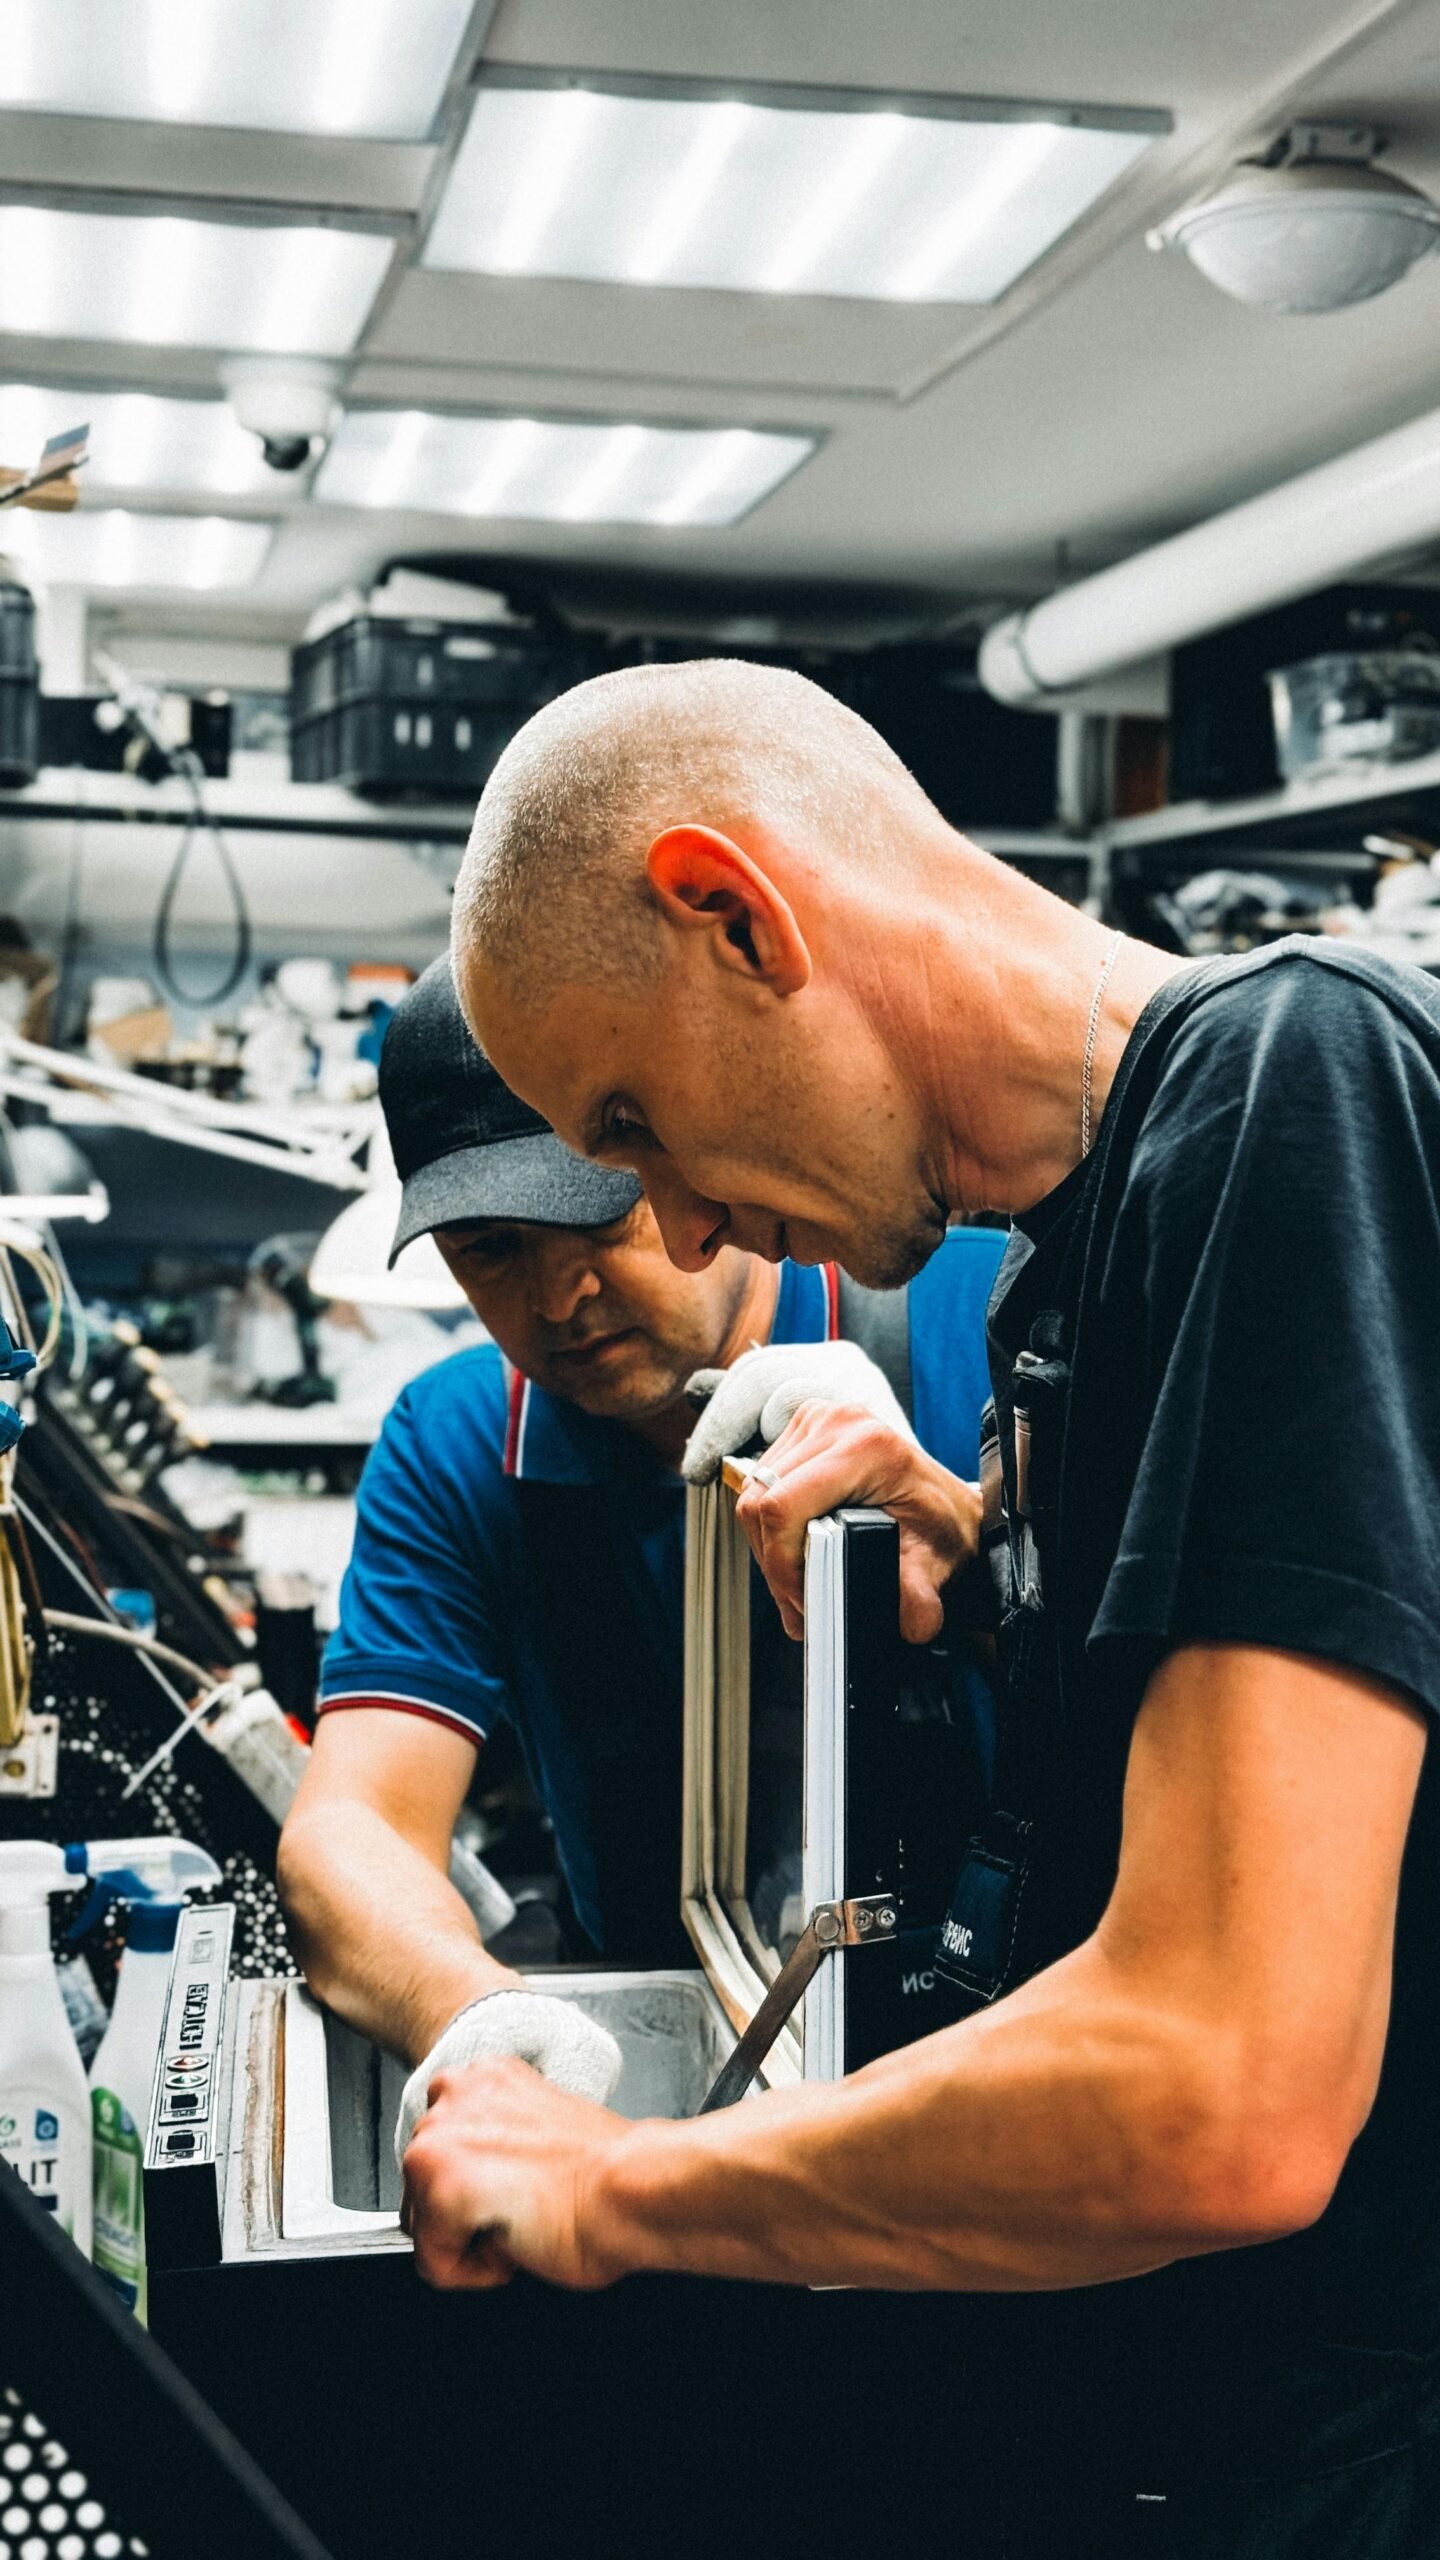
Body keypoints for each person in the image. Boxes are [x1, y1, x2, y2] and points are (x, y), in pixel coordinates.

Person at [403, 658, 1440, 2553]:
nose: (686, 1232)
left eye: (632, 1122)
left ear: (739, 913)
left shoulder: (1293, 1085)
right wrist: (980, 1579)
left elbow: (1222, 2086)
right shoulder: (1074, 1265)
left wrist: (618, 2185)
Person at [277, 955, 1003, 2151]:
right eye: (490, 1248)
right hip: (671, 2071)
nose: (558, 1297)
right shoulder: (463, 1440)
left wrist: (958, 1534)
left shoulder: (978, 1319)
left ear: (693, 1156)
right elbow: (349, 1836)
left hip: (999, 2061)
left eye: (597, 1212)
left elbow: (1167, 1744)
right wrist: (478, 2016)